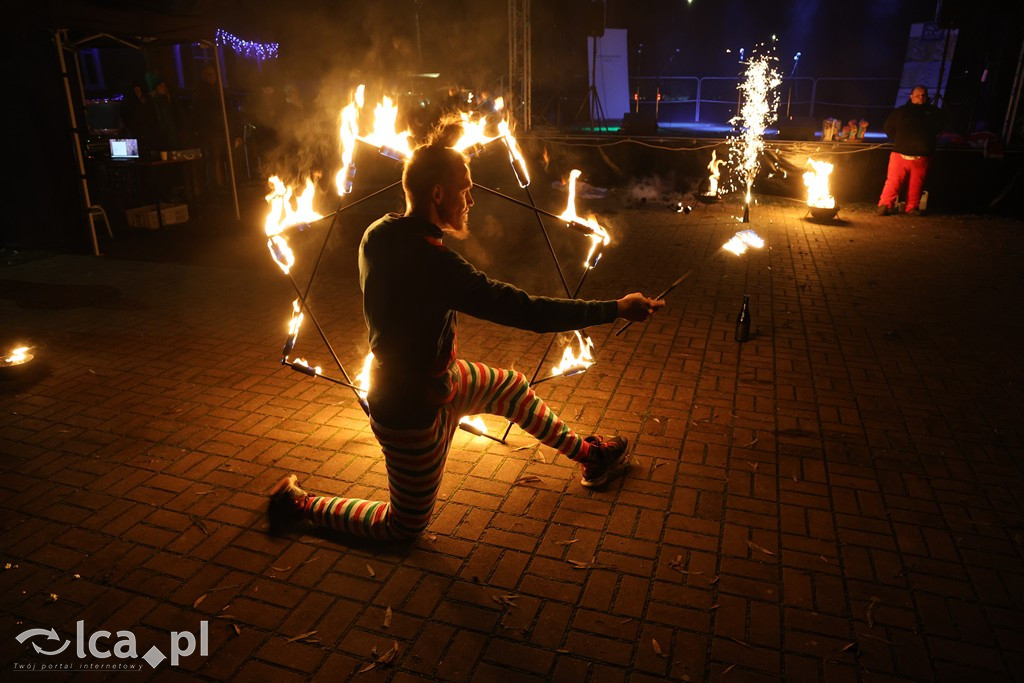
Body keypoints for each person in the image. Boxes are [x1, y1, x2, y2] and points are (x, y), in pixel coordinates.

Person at [268, 131, 665, 541]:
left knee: (511, 388)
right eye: (465, 190)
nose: (471, 200)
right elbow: (529, 312)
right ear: (438, 194)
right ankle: (300, 505)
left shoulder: (377, 232)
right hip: (409, 414)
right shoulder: (436, 265)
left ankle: (592, 457)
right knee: (403, 528)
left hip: (444, 382)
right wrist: (616, 308)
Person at [876, 85, 948, 216]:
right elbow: (888, 127)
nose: (921, 97)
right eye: (918, 95)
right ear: (911, 96)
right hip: (900, 154)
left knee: (916, 183)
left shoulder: (934, 112)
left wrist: (928, 140)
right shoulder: (901, 112)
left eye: (923, 95)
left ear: (927, 96)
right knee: (893, 181)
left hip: (922, 156)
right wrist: (900, 140)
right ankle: (885, 205)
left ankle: (912, 208)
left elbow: (941, 125)